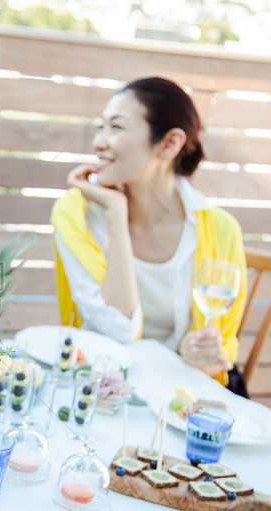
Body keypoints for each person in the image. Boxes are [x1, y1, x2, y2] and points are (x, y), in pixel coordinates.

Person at [50, 77, 247, 388]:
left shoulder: (221, 231)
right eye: (101, 127)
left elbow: (222, 346)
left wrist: (206, 356)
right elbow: (118, 330)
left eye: (116, 127)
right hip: (95, 386)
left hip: (176, 395)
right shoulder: (75, 214)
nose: (99, 141)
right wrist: (116, 214)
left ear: (169, 144)